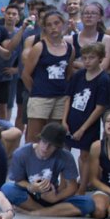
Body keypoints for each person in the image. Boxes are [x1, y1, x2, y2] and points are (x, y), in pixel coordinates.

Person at [2, 122, 95, 217]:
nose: (45, 148)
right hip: (29, 195)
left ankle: (38, 212)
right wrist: (31, 187)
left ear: (57, 147)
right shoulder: (22, 153)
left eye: (51, 145)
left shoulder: (65, 156)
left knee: (88, 203)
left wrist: (56, 197)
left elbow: (72, 186)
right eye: (44, 142)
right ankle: (48, 211)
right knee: (8, 189)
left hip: (51, 194)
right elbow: (18, 181)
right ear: (39, 140)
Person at [62, 42, 110, 191]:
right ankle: (63, 185)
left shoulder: (103, 79)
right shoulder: (79, 75)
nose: (88, 61)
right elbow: (68, 97)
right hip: (71, 119)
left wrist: (83, 129)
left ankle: (81, 189)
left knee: (84, 156)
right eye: (84, 58)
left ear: (101, 59)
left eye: (92, 58)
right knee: (65, 153)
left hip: (88, 123)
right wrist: (64, 120)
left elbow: (100, 107)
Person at [22, 10, 71, 144]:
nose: (53, 27)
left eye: (56, 23)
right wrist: (35, 91)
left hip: (60, 97)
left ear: (64, 24)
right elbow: (25, 74)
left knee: (55, 137)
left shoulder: (69, 48)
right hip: (40, 97)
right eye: (49, 25)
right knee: (34, 137)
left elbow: (68, 73)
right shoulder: (39, 47)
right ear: (44, 28)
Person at [68, 2, 110, 72]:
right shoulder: (69, 40)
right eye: (86, 13)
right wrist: (94, 66)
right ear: (81, 17)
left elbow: (103, 67)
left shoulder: (106, 39)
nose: (89, 16)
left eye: (93, 13)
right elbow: (67, 66)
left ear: (100, 18)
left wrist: (77, 64)